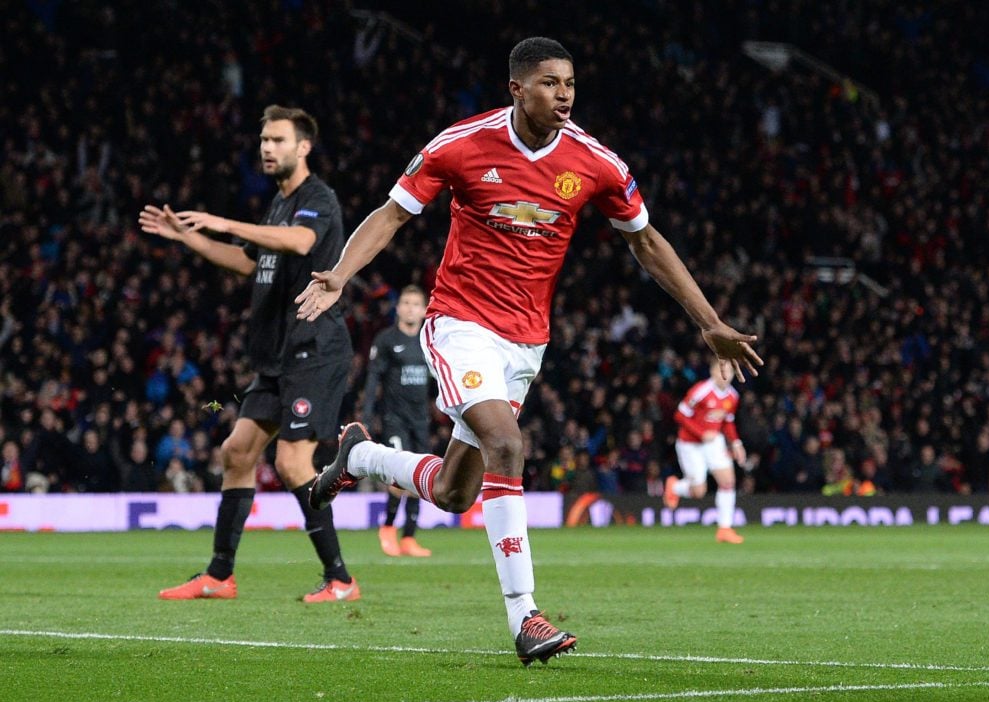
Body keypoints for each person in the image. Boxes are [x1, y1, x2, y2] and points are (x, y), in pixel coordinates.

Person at [295, 38, 762, 664]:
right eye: (548, 82)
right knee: (508, 444)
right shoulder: (459, 144)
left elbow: (646, 242)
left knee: (458, 494)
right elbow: (392, 215)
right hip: (460, 323)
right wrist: (340, 272)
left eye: (569, 81)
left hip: (526, 341)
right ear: (516, 88)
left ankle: (364, 456)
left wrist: (707, 321)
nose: (563, 93)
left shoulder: (595, 162)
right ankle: (526, 617)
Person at [139, 105, 359, 603]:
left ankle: (341, 579)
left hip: (315, 348)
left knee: (292, 463)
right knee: (236, 452)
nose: (266, 147)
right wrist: (189, 237)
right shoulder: (277, 205)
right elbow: (247, 261)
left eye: (277, 139)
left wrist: (222, 220)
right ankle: (219, 576)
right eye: (263, 139)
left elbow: (301, 243)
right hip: (278, 356)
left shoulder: (316, 199)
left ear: (303, 147)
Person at [363, 284, 433, 557]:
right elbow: (372, 380)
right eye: (405, 303)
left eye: (416, 304)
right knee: (398, 477)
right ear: (398, 307)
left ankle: (409, 538)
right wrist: (367, 417)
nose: (410, 308)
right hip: (394, 419)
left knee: (420, 479)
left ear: (425, 310)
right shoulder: (386, 340)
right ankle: (389, 528)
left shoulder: (429, 342)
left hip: (421, 420)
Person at [663, 361, 748, 543]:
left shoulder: (732, 396)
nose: (725, 375)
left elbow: (728, 421)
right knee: (698, 491)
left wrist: (736, 443)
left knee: (728, 481)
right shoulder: (701, 391)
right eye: (721, 370)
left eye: (730, 371)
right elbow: (680, 414)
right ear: (712, 371)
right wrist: (701, 433)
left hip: (714, 442)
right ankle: (675, 486)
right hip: (690, 444)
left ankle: (724, 529)